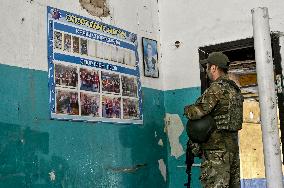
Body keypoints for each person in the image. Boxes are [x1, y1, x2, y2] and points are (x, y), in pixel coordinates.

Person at [184, 52, 243, 188]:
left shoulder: (217, 88)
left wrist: (187, 109)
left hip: (216, 152)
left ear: (214, 68)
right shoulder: (235, 90)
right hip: (232, 149)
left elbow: (196, 112)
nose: (206, 70)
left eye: (207, 67)